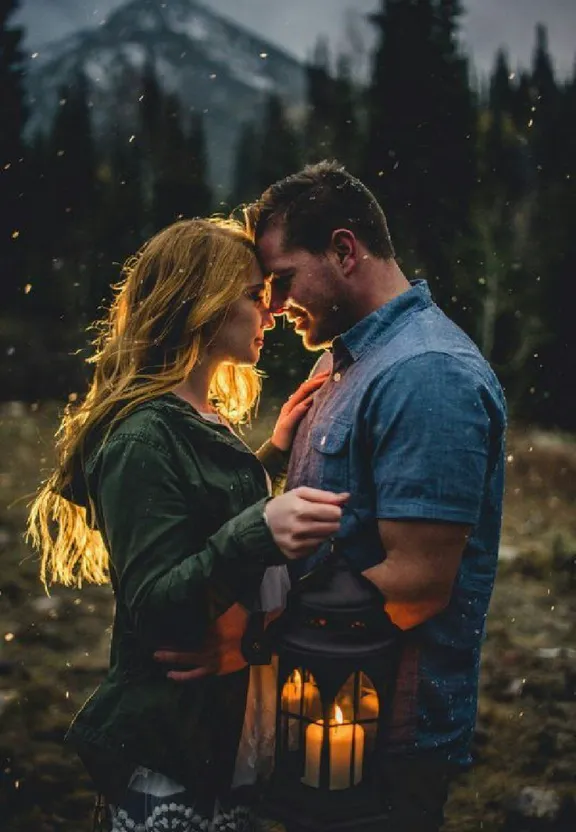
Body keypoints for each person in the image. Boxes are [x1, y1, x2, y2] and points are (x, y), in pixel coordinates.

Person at [26, 217, 349, 832]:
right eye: (256, 295)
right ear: (202, 302)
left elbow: (197, 519)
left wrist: (271, 459)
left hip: (220, 733)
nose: (272, 312)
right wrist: (260, 530)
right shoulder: (143, 435)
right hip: (170, 745)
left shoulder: (198, 414)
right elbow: (156, 608)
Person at [250, 161, 507, 831]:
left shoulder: (426, 374)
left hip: (385, 737)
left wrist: (250, 634)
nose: (273, 309)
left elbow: (416, 584)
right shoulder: (342, 360)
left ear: (344, 249)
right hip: (321, 712)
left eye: (281, 281)